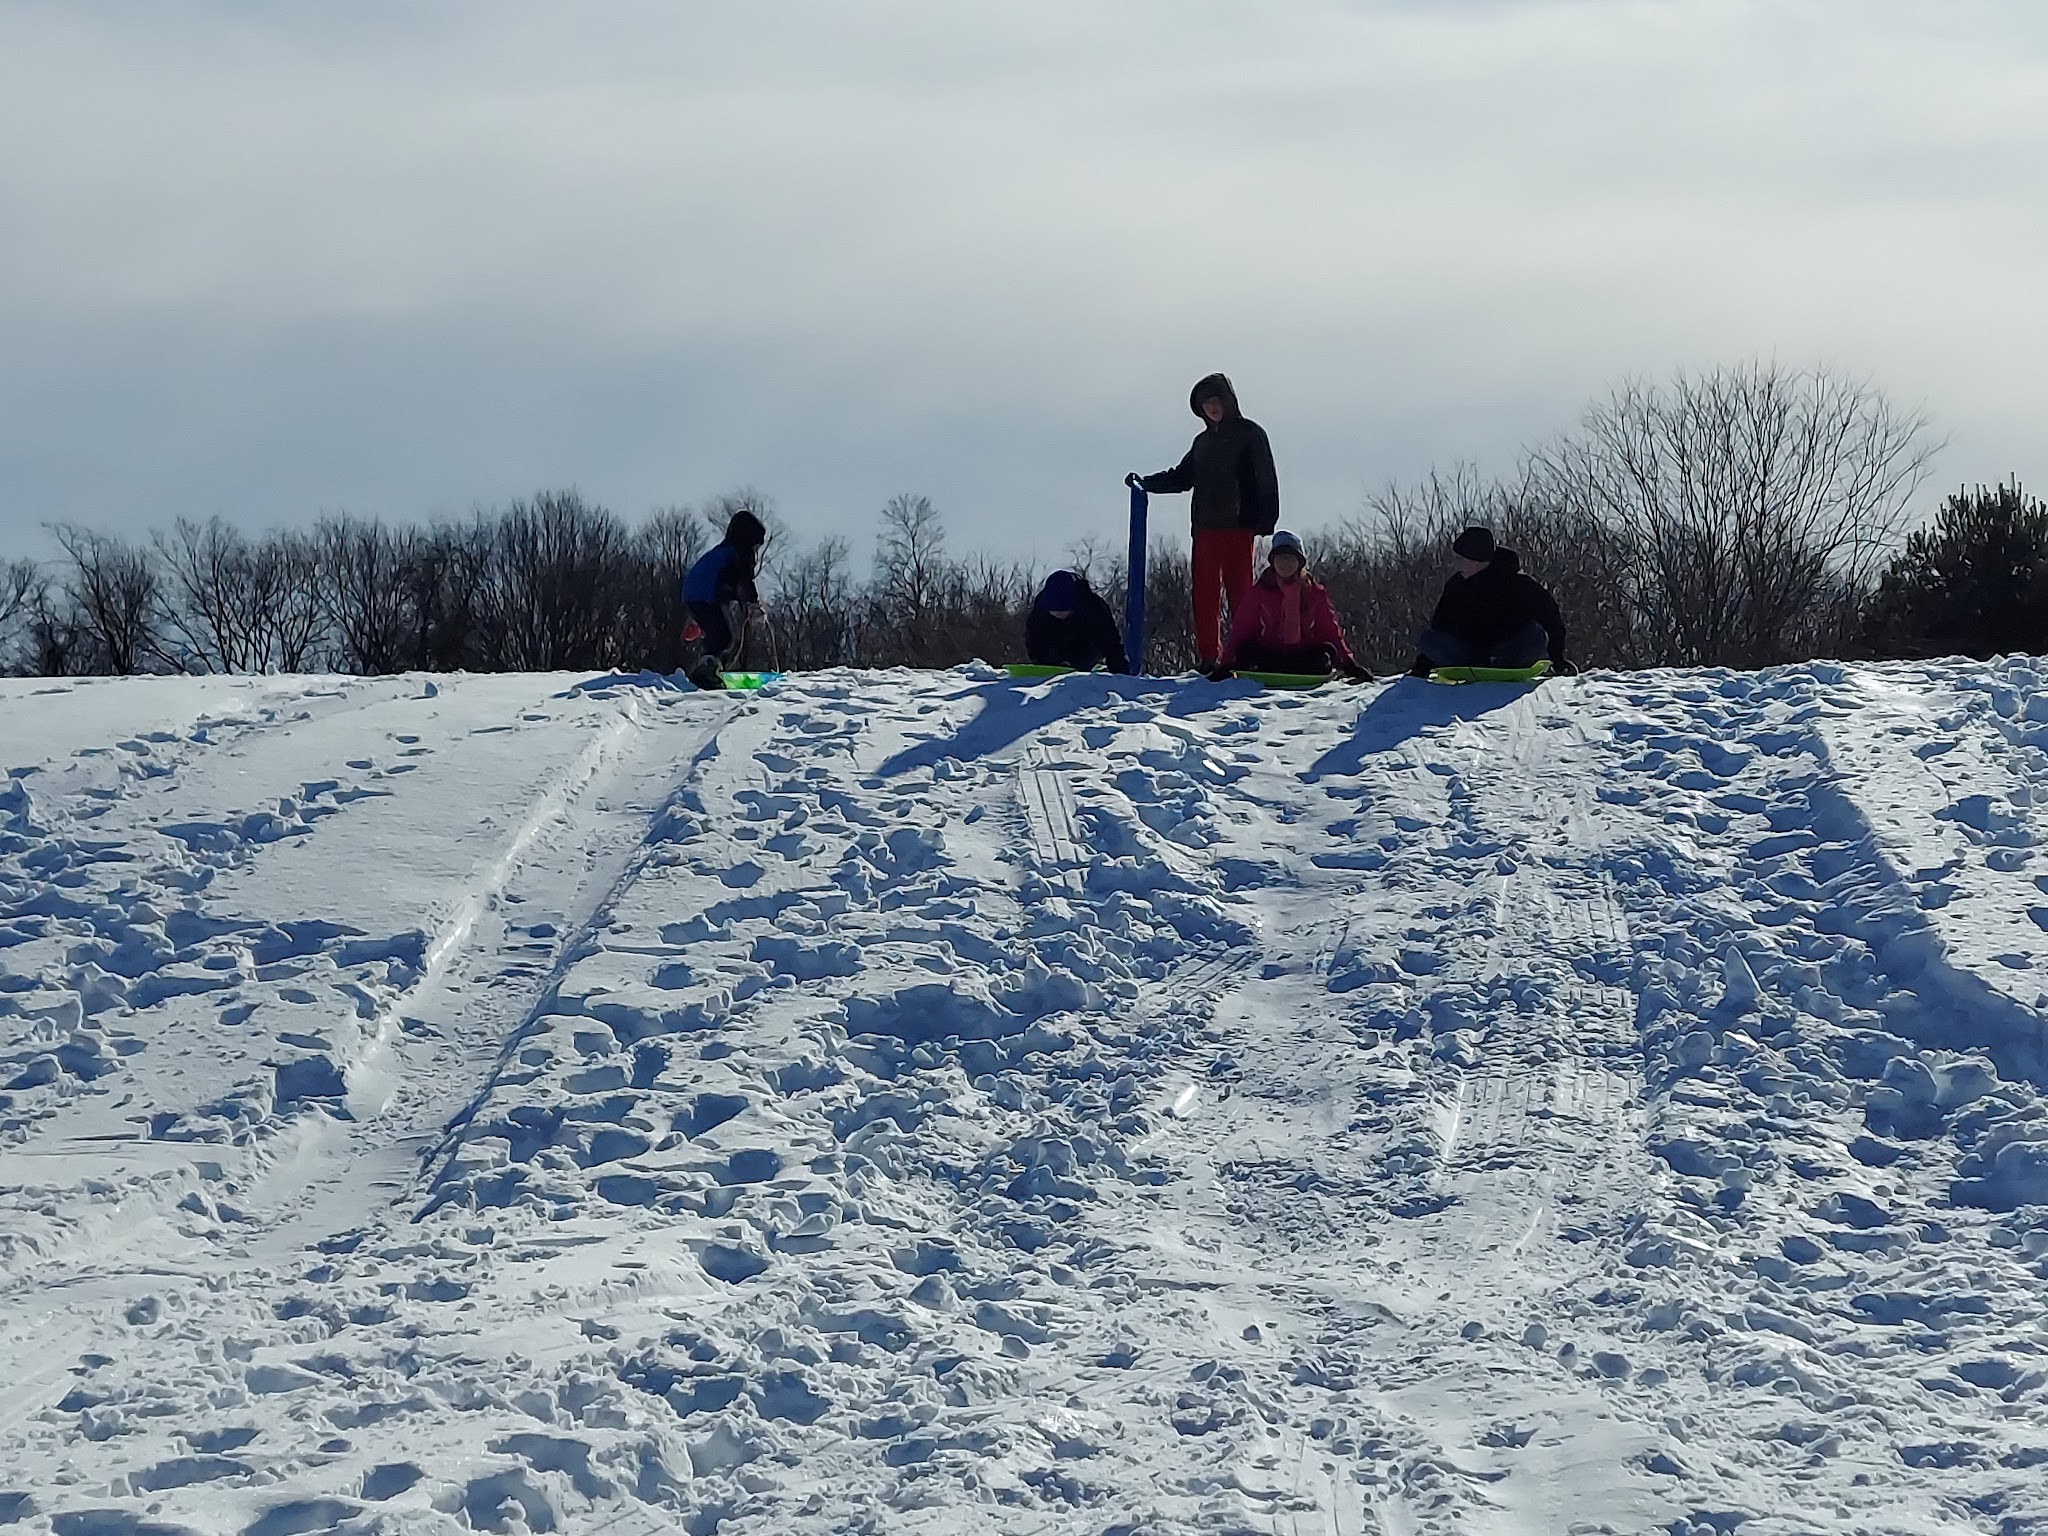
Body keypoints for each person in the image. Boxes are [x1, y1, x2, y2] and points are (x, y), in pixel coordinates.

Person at [1128, 373, 1280, 669]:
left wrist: (1267, 517)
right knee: (1204, 593)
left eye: (1215, 401)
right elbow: (1182, 476)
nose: (1212, 408)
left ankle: (1243, 653)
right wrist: (1147, 483)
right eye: (1206, 404)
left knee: (1241, 592)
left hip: (1238, 524)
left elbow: (1266, 477)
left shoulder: (1250, 434)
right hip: (1205, 527)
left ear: (1228, 401)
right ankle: (1210, 656)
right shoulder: (1202, 443)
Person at [1408, 525, 1571, 677]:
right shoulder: (1456, 585)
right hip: (1468, 655)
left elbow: (1551, 619)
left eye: (1460, 559)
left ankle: (1501, 664)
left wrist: (1558, 659)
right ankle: (1480, 664)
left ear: (1477, 559)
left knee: (1536, 635)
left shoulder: (1519, 584)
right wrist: (1424, 664)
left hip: (1510, 651)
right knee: (1429, 638)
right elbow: (1441, 626)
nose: (1456, 564)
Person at [1211, 531, 1370, 680]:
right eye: (1280, 559)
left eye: (1289, 559)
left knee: (1326, 654)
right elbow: (1242, 630)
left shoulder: (1314, 593)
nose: (1284, 564)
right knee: (1245, 650)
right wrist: (1225, 664)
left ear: (1299, 563)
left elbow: (1329, 630)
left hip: (1302, 653)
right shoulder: (1260, 591)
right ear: (1273, 562)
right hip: (1270, 652)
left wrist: (1349, 664)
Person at [681, 508, 767, 686]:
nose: (757, 550)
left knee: (717, 634)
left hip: (692, 593)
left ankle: (710, 668)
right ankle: (705, 673)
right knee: (723, 637)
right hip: (706, 595)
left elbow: (717, 578)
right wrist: (752, 605)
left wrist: (695, 618)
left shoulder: (722, 551)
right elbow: (744, 581)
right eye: (758, 545)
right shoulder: (740, 554)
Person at [1025, 569, 1130, 674]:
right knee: (1046, 647)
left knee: (1084, 650)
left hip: (1085, 647)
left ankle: (1078, 663)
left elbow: (1109, 640)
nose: (1059, 615)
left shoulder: (1094, 609)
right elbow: (1033, 639)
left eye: (1063, 611)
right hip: (1053, 647)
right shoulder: (1039, 611)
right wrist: (1039, 661)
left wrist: (1118, 667)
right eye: (1054, 611)